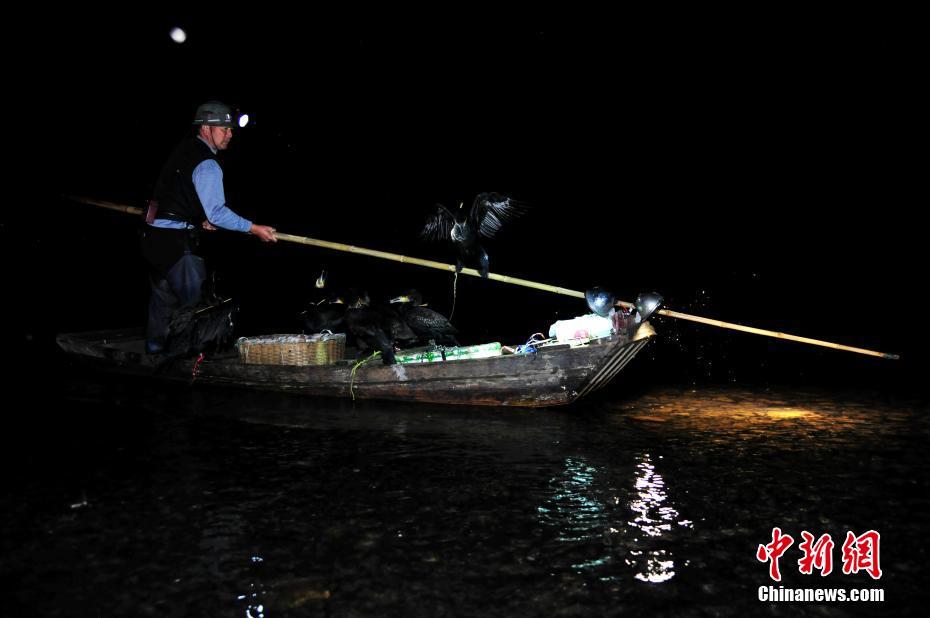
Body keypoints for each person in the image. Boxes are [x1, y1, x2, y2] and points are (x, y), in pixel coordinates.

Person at [141, 100, 277, 354]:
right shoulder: (207, 164)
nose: (230, 133)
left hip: (153, 237)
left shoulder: (183, 149)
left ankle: (154, 351)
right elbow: (217, 213)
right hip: (177, 245)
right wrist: (253, 228)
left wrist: (196, 218)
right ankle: (196, 359)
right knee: (200, 308)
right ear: (206, 128)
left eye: (230, 129)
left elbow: (177, 194)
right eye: (224, 129)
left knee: (163, 299)